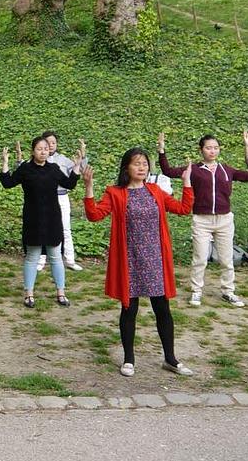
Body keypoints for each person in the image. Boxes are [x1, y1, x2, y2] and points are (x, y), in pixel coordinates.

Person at [83, 148, 195, 377]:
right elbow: (94, 215)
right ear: (127, 168)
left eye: (144, 163)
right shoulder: (115, 193)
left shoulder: (155, 191)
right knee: (129, 309)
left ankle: (170, 359)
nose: (142, 167)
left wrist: (187, 182)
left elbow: (183, 209)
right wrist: (88, 187)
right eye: (137, 163)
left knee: (162, 308)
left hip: (155, 259)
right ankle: (129, 359)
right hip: (130, 259)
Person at [158, 132, 248, 308]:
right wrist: (161, 151)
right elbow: (168, 171)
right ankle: (196, 290)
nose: (212, 151)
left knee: (226, 259)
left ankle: (228, 291)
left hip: (224, 220)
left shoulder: (226, 169)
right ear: (201, 150)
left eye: (215, 148)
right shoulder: (194, 169)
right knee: (200, 258)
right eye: (208, 148)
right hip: (202, 220)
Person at [0, 136, 80, 308]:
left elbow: (69, 184)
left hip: (52, 219)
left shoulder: (54, 169)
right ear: (33, 151)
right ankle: (29, 294)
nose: (43, 152)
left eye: (46, 149)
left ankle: (61, 292)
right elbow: (8, 183)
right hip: (33, 219)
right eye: (39, 149)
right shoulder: (25, 169)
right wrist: (5, 164)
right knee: (32, 257)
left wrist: (77, 167)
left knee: (55, 256)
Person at [34, 131, 86, 272]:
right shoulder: (38, 160)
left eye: (53, 142)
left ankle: (70, 260)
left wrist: (83, 155)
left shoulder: (63, 160)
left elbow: (79, 169)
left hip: (61, 197)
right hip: (44, 197)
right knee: (43, 226)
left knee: (65, 228)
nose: (51, 145)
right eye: (48, 142)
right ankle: (41, 259)